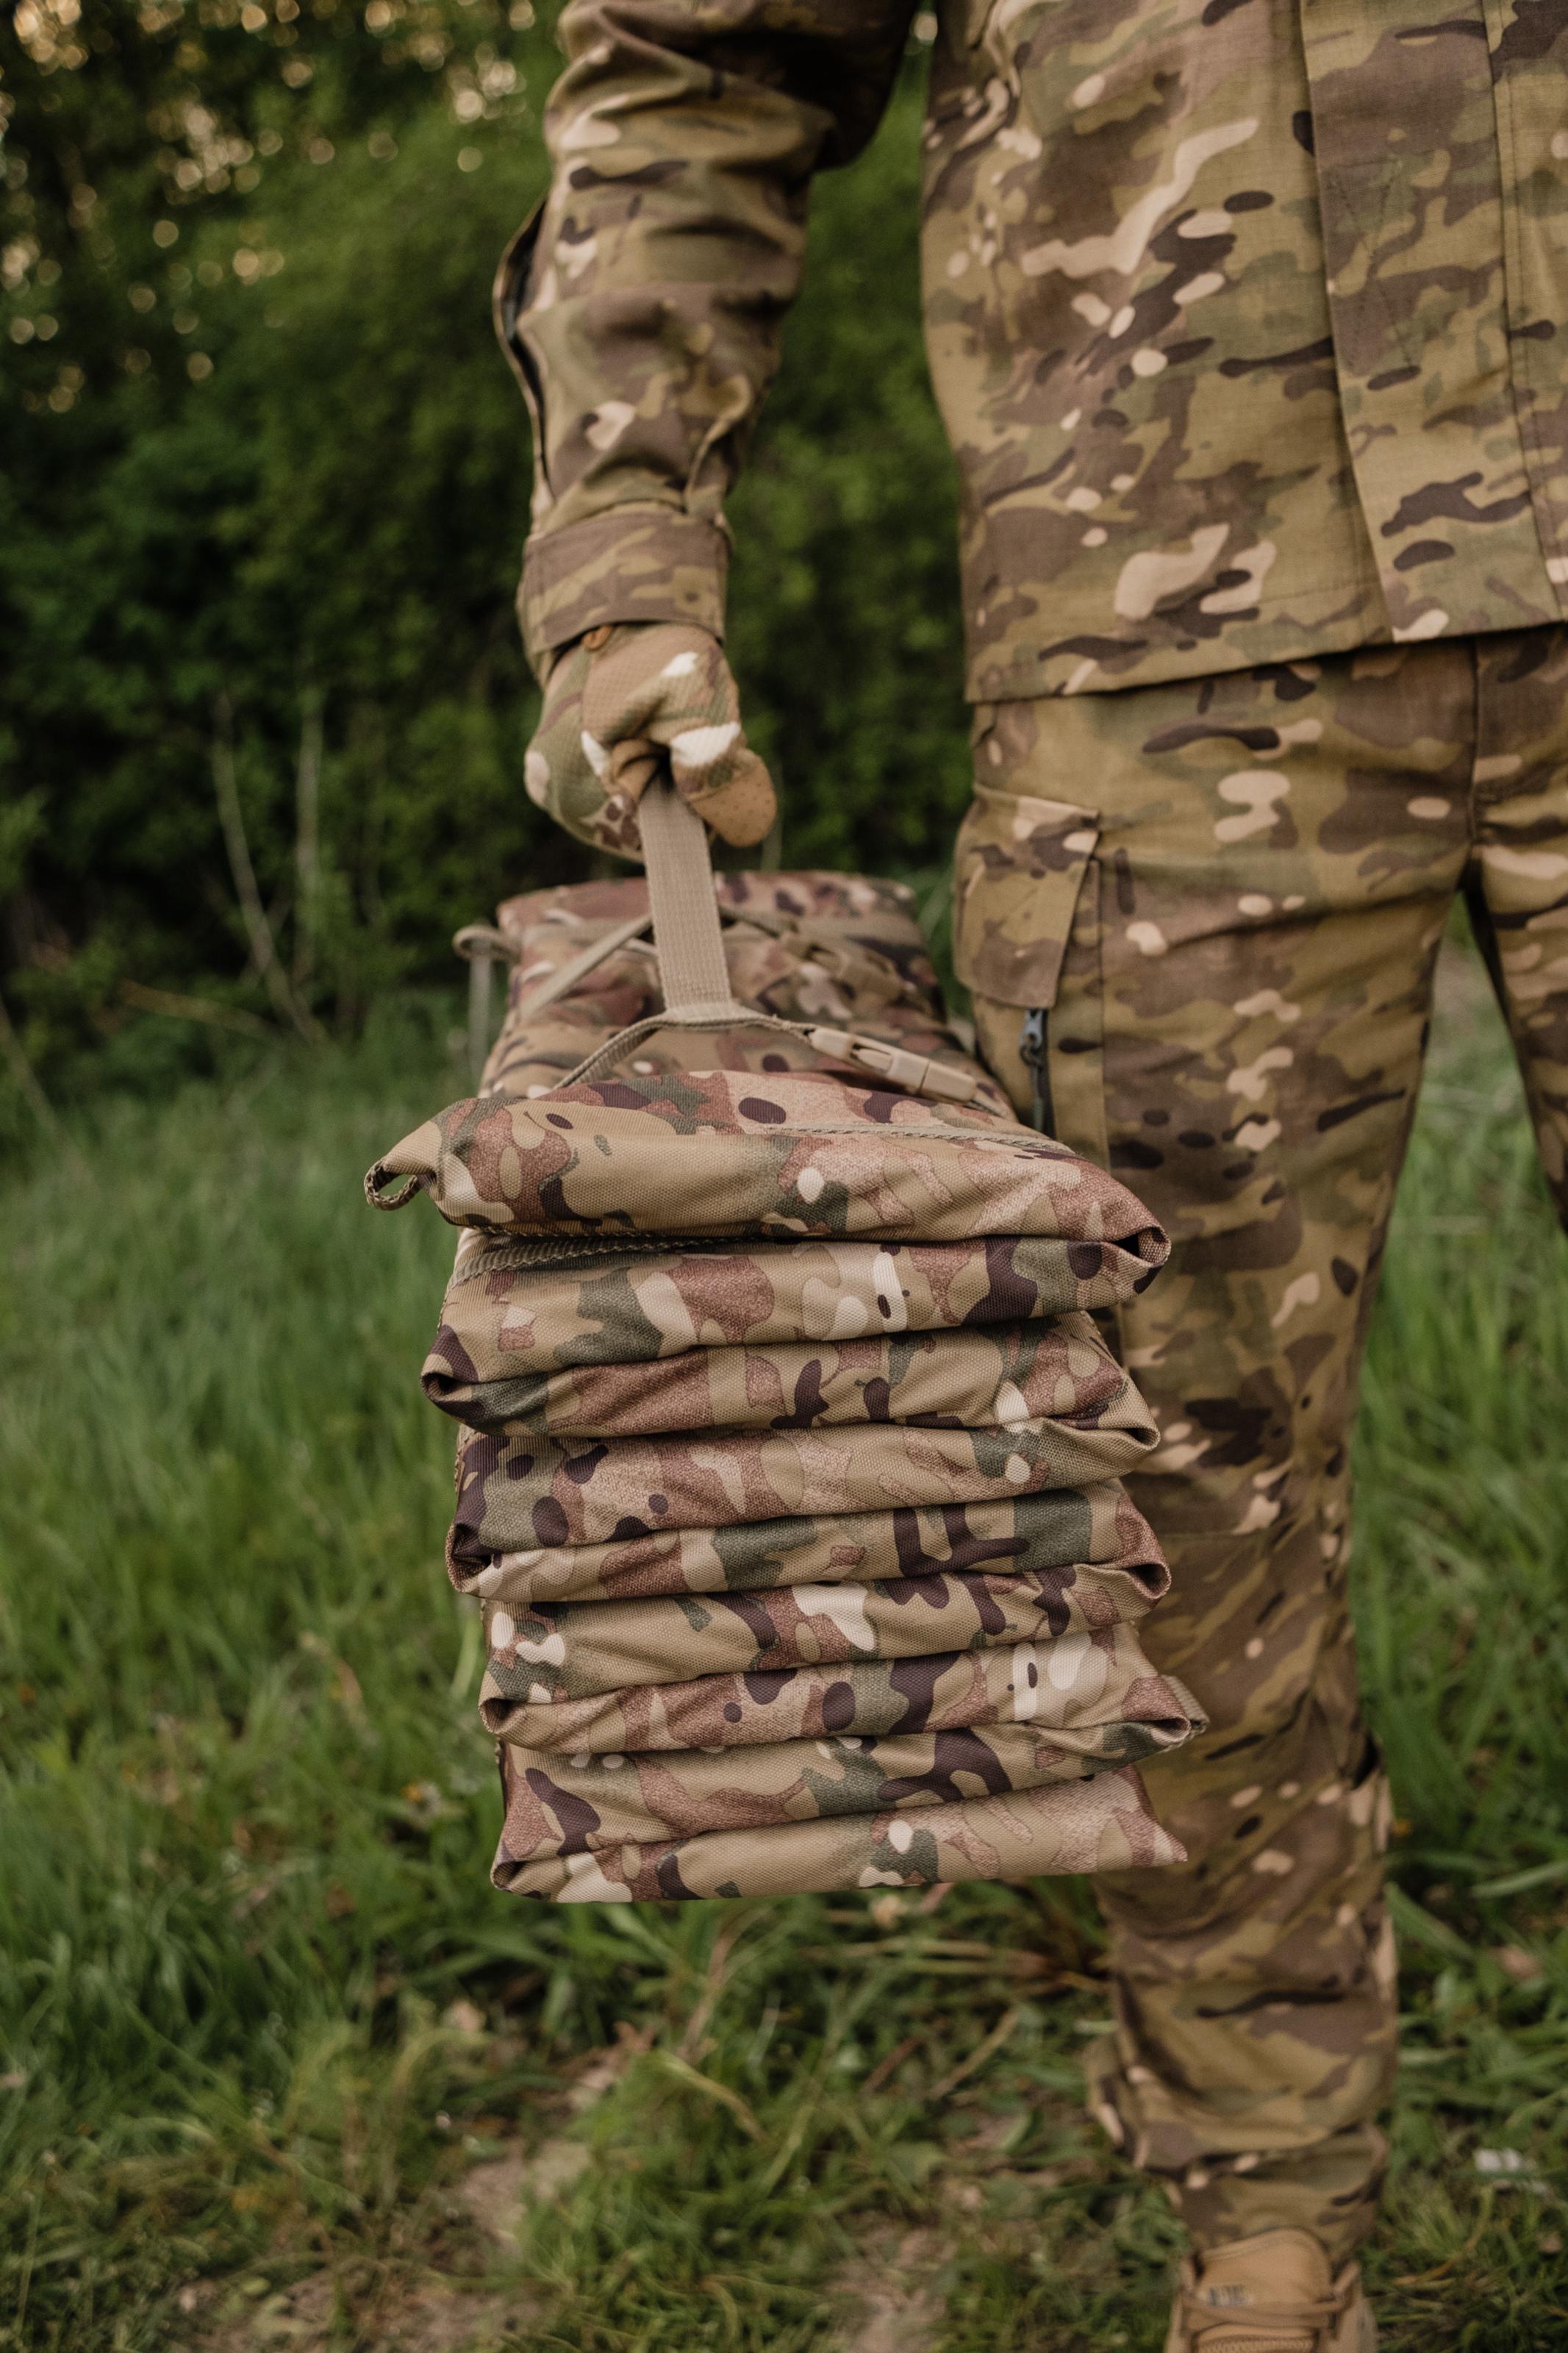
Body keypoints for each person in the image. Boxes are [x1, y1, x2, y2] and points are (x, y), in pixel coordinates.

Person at [495, 4, 1568, 2344]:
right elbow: (699, 68)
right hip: (1166, 629)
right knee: (1171, 1476)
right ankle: (1270, 2213)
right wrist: (621, 549)